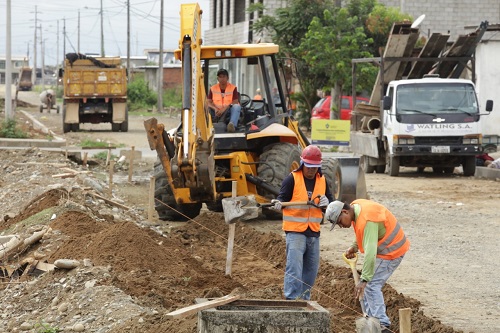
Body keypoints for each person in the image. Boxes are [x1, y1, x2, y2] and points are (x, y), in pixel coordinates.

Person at [325, 199, 410, 333]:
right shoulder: (356, 208)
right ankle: (372, 322)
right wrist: (354, 246)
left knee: (370, 284)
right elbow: (363, 233)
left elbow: (370, 252)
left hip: (392, 250)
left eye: (339, 222)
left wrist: (364, 279)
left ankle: (382, 325)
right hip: (386, 248)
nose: (340, 226)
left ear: (344, 211)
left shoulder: (367, 219)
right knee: (368, 285)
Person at [270, 145, 333, 300]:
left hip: (313, 231)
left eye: (314, 167)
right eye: (309, 167)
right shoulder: (291, 179)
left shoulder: (322, 181)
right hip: (295, 231)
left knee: (311, 271)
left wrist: (328, 202)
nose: (311, 170)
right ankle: (291, 299)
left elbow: (331, 204)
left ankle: (304, 299)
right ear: (303, 163)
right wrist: (277, 204)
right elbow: (281, 199)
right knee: (295, 269)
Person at [207, 69, 241, 133]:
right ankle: (207, 126)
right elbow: (208, 102)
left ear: (227, 78)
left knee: (236, 106)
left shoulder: (233, 88)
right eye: (220, 77)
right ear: (217, 78)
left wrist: (224, 109)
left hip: (228, 111)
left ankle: (231, 125)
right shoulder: (213, 88)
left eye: (224, 76)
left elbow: (235, 101)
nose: (222, 79)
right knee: (206, 108)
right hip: (216, 112)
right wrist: (215, 109)